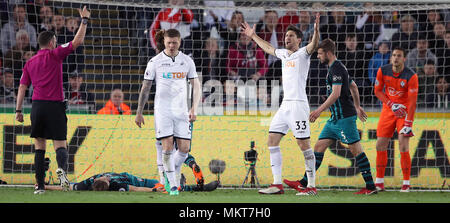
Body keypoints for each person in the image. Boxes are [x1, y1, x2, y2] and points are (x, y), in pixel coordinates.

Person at [284, 39, 377, 195]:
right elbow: (353, 86)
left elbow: (336, 94)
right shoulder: (336, 68)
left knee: (356, 150)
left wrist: (319, 110)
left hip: (344, 119)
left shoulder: (336, 69)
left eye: (320, 53)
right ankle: (303, 183)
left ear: (328, 53)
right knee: (318, 148)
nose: (318, 57)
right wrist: (357, 106)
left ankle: (370, 187)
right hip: (334, 120)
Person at [241, 13, 320, 195]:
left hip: (299, 105)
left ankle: (312, 186)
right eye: (285, 36)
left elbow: (313, 45)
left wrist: (315, 32)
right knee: (272, 140)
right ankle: (277, 185)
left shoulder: (303, 54)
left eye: (291, 36)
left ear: (299, 40)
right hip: (285, 106)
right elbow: (269, 48)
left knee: (304, 145)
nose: (287, 38)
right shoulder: (283, 54)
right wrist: (253, 36)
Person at [15, 6, 90, 195]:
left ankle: (39, 186)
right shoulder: (56, 54)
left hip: (37, 107)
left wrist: (18, 111)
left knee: (39, 146)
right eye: (55, 41)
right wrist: (84, 21)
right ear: (51, 43)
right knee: (60, 144)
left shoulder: (29, 62)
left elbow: (22, 87)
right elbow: (77, 41)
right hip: (55, 106)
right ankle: (62, 173)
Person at [135, 29, 202, 196]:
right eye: (169, 42)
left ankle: (173, 169)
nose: (172, 45)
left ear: (180, 42)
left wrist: (194, 108)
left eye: (175, 42)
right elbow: (145, 88)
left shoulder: (187, 61)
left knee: (184, 149)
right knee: (167, 147)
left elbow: (197, 86)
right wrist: (139, 112)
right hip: (162, 111)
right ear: (164, 42)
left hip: (182, 111)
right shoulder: (155, 62)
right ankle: (172, 185)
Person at [373, 47, 419, 193]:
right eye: (393, 55)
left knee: (403, 145)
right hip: (388, 109)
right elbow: (377, 91)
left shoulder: (411, 76)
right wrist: (391, 104)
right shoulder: (383, 71)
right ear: (391, 57)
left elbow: (412, 102)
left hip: (404, 112)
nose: (396, 58)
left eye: (399, 56)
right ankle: (379, 182)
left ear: (404, 59)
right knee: (380, 144)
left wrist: (408, 123)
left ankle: (406, 183)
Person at [42, 172, 219, 192]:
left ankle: (179, 182)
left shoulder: (89, 182)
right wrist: (152, 192)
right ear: (108, 183)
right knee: (166, 187)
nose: (105, 176)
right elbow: (134, 188)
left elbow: (69, 187)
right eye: (106, 178)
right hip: (141, 182)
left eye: (102, 177)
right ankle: (200, 188)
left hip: (137, 178)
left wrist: (44, 186)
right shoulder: (117, 186)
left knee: (167, 183)